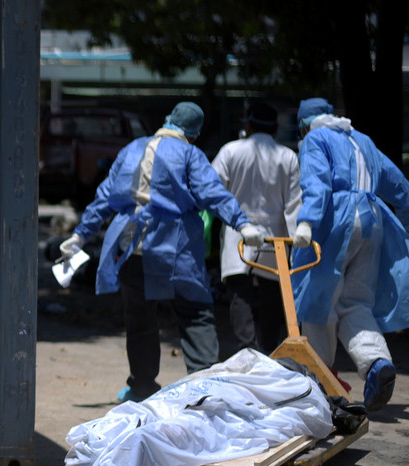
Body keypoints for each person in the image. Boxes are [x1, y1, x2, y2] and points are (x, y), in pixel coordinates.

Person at [58, 102, 262, 403]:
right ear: (193, 133)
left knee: (140, 319)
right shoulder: (190, 153)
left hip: (131, 249)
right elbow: (211, 192)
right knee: (195, 314)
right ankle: (203, 390)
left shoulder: (132, 148)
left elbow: (105, 197)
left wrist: (79, 235)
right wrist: (242, 224)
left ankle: (141, 388)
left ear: (168, 120)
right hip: (174, 247)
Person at [290, 97, 409, 411]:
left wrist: (307, 221)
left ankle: (319, 384)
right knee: (355, 303)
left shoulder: (314, 139)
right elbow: (401, 186)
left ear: (304, 125)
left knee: (317, 304)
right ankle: (376, 363)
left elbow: (317, 183)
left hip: (336, 224)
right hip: (373, 221)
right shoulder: (362, 139)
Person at [211, 101, 302, 353]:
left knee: (240, 294)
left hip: (238, 231)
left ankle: (247, 350)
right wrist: (296, 241)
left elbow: (212, 190)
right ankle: (270, 352)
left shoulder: (230, 151)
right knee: (273, 296)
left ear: (248, 126)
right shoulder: (288, 156)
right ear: (275, 129)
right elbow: (294, 204)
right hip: (276, 236)